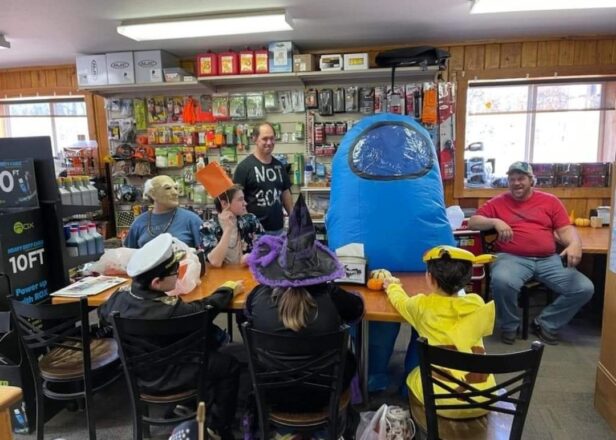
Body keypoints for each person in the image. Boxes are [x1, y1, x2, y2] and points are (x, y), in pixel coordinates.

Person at [98, 233, 243, 440]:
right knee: (229, 365)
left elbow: (103, 315)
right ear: (156, 282)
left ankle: (190, 404)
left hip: (139, 373)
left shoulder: (118, 300)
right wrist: (227, 289)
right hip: (173, 372)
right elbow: (205, 308)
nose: (179, 273)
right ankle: (218, 426)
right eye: (176, 272)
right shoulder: (172, 310)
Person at [244, 195, 364, 412]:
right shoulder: (332, 296)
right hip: (323, 394)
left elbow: (244, 318)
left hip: (271, 392)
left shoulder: (259, 296)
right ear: (317, 267)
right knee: (349, 358)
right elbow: (357, 310)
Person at [468, 161, 594, 345]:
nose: (516, 183)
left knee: (584, 288)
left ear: (531, 180)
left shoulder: (550, 201)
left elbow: (565, 229)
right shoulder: (498, 202)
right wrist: (495, 221)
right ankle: (510, 326)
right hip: (512, 258)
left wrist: (575, 244)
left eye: (521, 178)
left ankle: (545, 323)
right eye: (512, 179)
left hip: (548, 259)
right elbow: (473, 221)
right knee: (502, 281)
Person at [383, 245, 496, 419]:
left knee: (411, 376)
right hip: (484, 399)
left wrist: (392, 286)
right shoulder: (477, 302)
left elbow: (400, 301)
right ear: (467, 279)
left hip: (439, 401)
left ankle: (414, 414)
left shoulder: (421, 306)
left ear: (430, 278)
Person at [233, 122, 293, 235]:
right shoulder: (244, 168)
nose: (269, 143)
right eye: (265, 139)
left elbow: (286, 194)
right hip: (255, 233)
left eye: (272, 138)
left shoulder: (279, 166)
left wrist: (295, 220)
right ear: (255, 139)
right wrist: (248, 223)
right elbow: (236, 199)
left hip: (278, 231)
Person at [124, 175, 203, 249]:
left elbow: (207, 257)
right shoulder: (139, 223)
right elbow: (129, 255)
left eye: (176, 188)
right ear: (152, 193)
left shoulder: (192, 220)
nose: (175, 193)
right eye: (168, 188)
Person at [200, 184, 264, 267]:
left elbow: (267, 248)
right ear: (225, 204)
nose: (245, 203)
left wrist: (252, 257)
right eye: (240, 199)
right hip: (222, 277)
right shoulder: (208, 227)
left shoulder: (250, 220)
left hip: (248, 275)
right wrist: (228, 229)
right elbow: (215, 262)